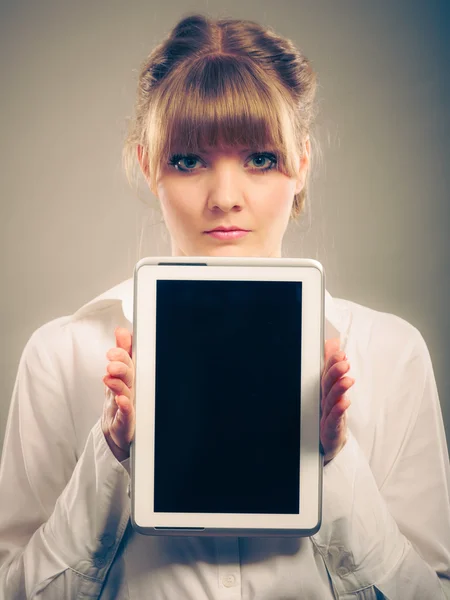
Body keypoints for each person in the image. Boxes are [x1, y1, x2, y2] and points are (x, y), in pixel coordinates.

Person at [0, 12, 449, 600]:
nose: (225, 198)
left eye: (261, 159)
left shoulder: (390, 353)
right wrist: (109, 456)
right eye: (188, 160)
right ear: (147, 165)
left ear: (302, 164)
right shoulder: (61, 354)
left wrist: (333, 464)